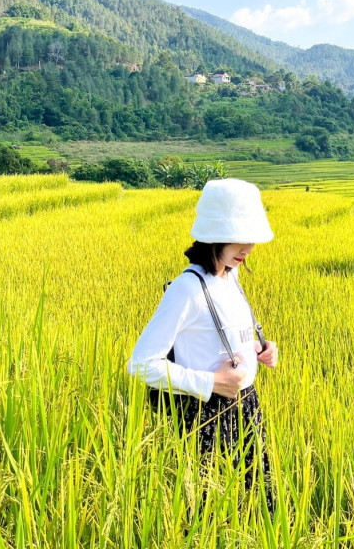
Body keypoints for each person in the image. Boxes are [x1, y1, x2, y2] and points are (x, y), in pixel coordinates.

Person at [127, 178, 279, 512]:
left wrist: (258, 349)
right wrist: (212, 382)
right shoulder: (187, 288)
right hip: (204, 416)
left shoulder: (231, 276)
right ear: (215, 234)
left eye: (252, 240)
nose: (248, 249)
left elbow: (220, 337)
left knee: (261, 504)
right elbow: (140, 364)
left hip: (247, 407)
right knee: (210, 514)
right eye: (240, 240)